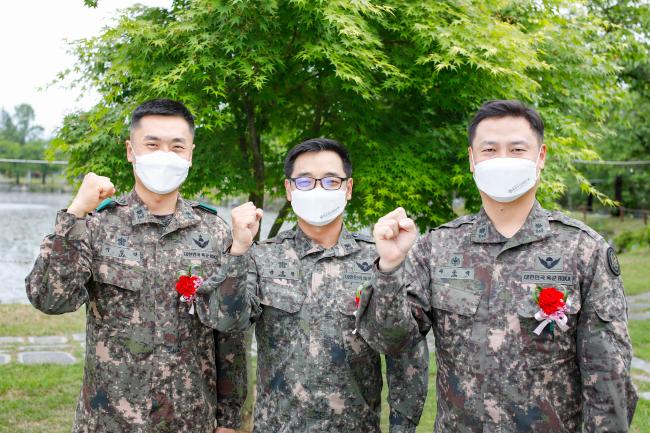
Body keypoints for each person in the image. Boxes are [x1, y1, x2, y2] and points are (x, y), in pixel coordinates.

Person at [357, 100, 638, 432]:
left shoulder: (584, 250)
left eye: (517, 149)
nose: (503, 159)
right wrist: (389, 267)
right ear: (472, 159)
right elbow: (391, 341)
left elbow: (608, 378)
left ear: (541, 157)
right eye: (490, 149)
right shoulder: (438, 248)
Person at [26, 99, 247, 433]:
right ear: (131, 150)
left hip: (190, 421)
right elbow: (49, 299)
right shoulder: (97, 225)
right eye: (152, 144)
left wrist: (228, 420)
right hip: (109, 420)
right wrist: (74, 214)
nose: (165, 155)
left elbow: (228, 335)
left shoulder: (215, 233)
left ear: (190, 154)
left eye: (177, 147)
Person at [218, 138, 429, 432]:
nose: (318, 190)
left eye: (331, 181)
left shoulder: (380, 259)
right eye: (305, 181)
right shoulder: (261, 257)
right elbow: (228, 323)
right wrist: (238, 250)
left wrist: (402, 428)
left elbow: (404, 352)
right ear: (289, 190)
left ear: (348, 188)